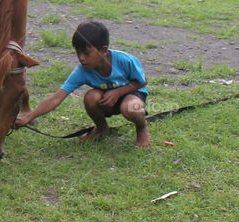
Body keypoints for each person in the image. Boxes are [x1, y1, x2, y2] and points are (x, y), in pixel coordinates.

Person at [15, 21, 150, 147]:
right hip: (106, 100)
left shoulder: (125, 60)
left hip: (131, 94)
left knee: (130, 107)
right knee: (91, 97)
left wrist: (118, 92)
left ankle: (141, 129)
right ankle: (102, 128)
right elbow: (57, 97)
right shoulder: (82, 71)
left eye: (86, 53)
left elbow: (142, 81)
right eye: (78, 53)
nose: (81, 58)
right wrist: (29, 117)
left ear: (103, 50)